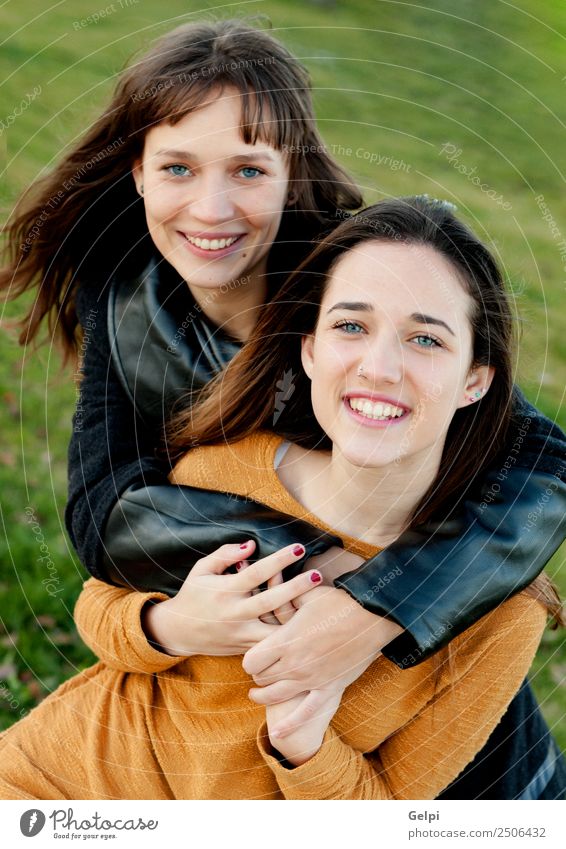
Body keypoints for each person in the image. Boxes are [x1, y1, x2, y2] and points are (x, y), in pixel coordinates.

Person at [1, 21, 565, 717]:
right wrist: (306, 570)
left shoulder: (350, 274)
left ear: (291, 171)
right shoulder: (119, 293)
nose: (212, 210)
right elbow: (104, 510)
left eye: (248, 170)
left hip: (429, 679)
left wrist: (381, 604)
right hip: (253, 685)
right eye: (178, 167)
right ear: (139, 171)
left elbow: (541, 459)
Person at [0, 197, 564, 800]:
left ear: (475, 379)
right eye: (351, 326)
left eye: (425, 339)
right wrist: (174, 626)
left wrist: (306, 748)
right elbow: (99, 607)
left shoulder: (500, 615)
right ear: (310, 349)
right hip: (49, 779)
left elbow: (387, 816)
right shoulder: (231, 466)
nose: (379, 367)